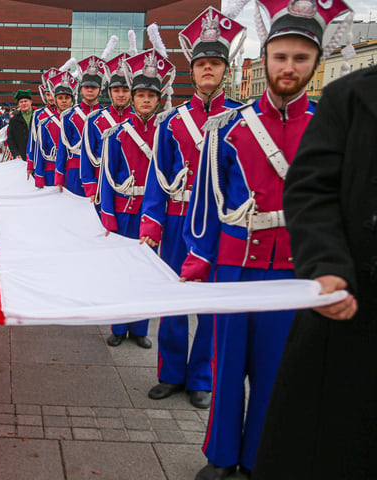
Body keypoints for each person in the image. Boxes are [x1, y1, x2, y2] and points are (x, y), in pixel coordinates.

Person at [180, 0, 353, 476]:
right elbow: (208, 202)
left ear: (316, 63)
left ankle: (261, 456)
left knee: (279, 375)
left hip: (297, 269)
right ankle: (221, 457)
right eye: (281, 57)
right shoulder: (228, 127)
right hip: (235, 266)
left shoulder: (329, 128)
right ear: (266, 59)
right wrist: (198, 258)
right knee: (228, 367)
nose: (289, 67)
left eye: (301, 58)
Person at [253, 66, 374, 480]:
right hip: (351, 296)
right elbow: (311, 190)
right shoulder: (352, 97)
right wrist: (326, 264)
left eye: (301, 56)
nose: (290, 67)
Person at [140, 8, 246, 410]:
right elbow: (158, 177)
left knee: (210, 306)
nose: (207, 70)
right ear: (193, 69)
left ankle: (202, 375)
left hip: (219, 226)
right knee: (172, 299)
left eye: (214, 64)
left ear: (225, 69)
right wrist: (151, 222)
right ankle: (170, 372)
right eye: (201, 63)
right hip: (177, 220)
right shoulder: (172, 121)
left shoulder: (238, 119)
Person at [100, 49, 175, 349]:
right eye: (140, 94)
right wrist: (108, 213)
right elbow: (107, 175)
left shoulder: (167, 131)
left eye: (151, 96)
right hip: (124, 208)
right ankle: (119, 325)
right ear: (132, 97)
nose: (145, 100)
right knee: (123, 270)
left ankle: (140, 327)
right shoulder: (117, 133)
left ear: (159, 99)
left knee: (146, 271)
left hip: (152, 211)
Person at [80, 52, 134, 206]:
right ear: (109, 92)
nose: (121, 95)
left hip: (132, 188)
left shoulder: (140, 119)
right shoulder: (94, 120)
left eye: (125, 90)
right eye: (116, 90)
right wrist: (91, 187)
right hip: (100, 185)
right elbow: (86, 155)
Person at [55, 56, 104, 195]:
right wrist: (59, 175)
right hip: (74, 170)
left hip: (99, 170)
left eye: (93, 87)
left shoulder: (105, 116)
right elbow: (62, 148)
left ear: (99, 91)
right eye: (86, 87)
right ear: (81, 90)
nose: (90, 90)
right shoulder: (69, 115)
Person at [34, 71, 76, 188]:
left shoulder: (79, 120)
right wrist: (39, 177)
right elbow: (40, 151)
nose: (63, 101)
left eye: (67, 98)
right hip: (50, 171)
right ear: (56, 100)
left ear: (72, 99)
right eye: (60, 98)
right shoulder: (45, 123)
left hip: (73, 172)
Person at [27, 72, 59, 175]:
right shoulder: (38, 114)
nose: (50, 98)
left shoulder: (68, 114)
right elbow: (32, 141)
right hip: (44, 161)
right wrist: (30, 164)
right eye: (47, 94)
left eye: (52, 94)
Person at [7, 90, 32, 163]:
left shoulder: (38, 116)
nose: (24, 103)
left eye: (25, 101)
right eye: (21, 102)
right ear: (18, 104)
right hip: (21, 155)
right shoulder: (14, 120)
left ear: (31, 102)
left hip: (37, 155)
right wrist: (16, 154)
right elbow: (10, 139)